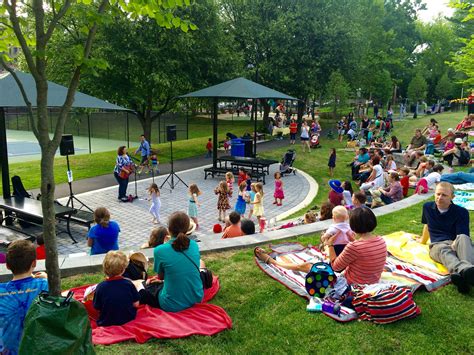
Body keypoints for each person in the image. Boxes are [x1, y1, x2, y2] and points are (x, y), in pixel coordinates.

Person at [255, 208, 386, 286]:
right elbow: (364, 256)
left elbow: (335, 267)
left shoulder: (354, 247)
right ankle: (272, 260)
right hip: (372, 281)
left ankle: (271, 261)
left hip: (353, 287)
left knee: (306, 266)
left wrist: (330, 244)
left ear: (353, 225)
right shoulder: (381, 241)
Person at [140, 212, 204, 310]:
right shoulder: (194, 245)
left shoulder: (160, 250)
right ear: (187, 229)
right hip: (197, 297)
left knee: (145, 287)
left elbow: (161, 276)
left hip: (172, 304)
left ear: (168, 230)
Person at [419, 182, 473, 293]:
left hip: (456, 242)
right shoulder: (427, 207)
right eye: (438, 194)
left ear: (452, 197)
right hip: (438, 244)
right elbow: (427, 225)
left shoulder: (461, 212)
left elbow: (463, 234)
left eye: (444, 195)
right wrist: (422, 241)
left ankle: (461, 275)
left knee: (463, 238)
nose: (440, 198)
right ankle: (467, 271)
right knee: (443, 249)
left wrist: (454, 243)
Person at [0, 240, 48, 354]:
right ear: (34, 263)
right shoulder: (44, 285)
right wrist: (46, 278)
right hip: (38, 349)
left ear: (7, 265)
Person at [93, 251, 140, 326]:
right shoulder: (128, 284)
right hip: (128, 318)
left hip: (107, 321)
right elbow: (136, 304)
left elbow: (97, 306)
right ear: (123, 269)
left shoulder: (100, 287)